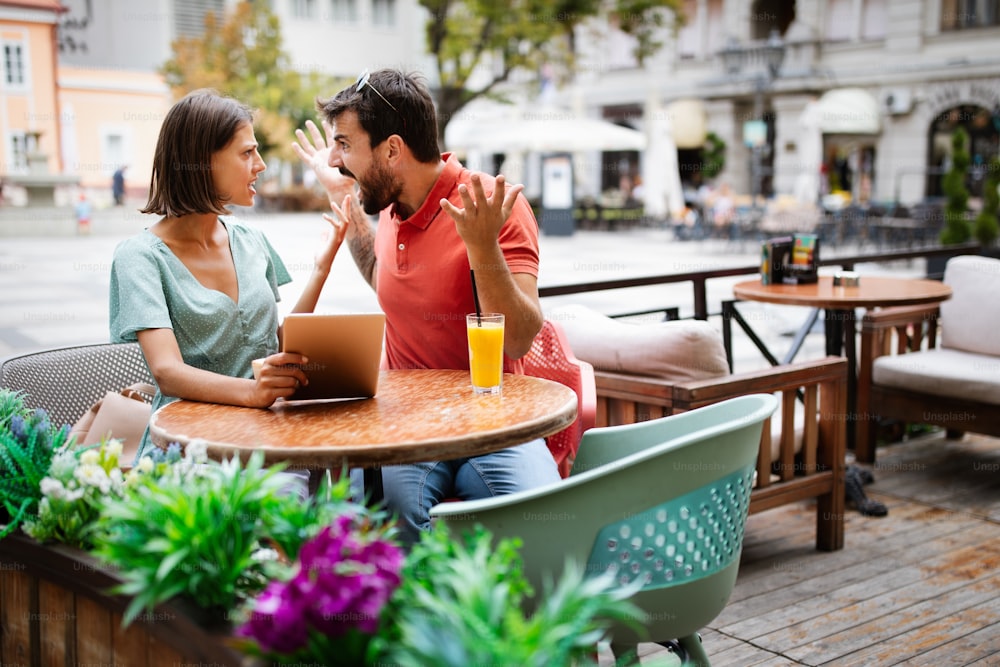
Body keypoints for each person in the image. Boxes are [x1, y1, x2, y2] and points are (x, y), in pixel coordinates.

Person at [292, 68, 560, 545]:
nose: (333, 160)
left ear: (392, 149)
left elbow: (519, 336)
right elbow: (383, 279)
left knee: (545, 528)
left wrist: (482, 247)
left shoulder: (488, 205)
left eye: (345, 145)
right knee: (376, 532)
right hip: (407, 426)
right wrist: (344, 200)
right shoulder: (391, 206)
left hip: (495, 422)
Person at [109, 89, 348, 463]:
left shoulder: (252, 240)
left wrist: (321, 269)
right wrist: (253, 393)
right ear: (202, 161)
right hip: (186, 448)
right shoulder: (139, 258)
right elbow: (167, 372)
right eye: (247, 152)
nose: (261, 165)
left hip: (268, 437)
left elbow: (276, 343)